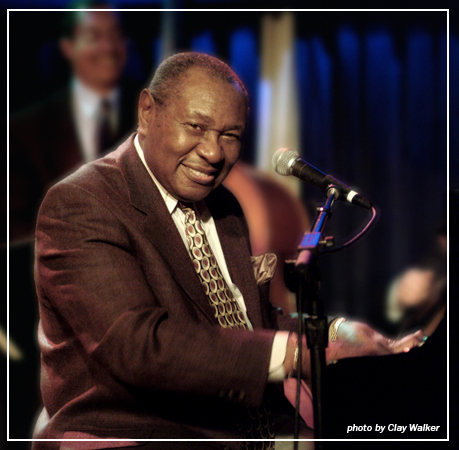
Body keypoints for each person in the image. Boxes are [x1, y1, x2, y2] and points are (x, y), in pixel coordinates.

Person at [32, 52, 425, 449]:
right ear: (147, 111)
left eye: (230, 135)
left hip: (242, 427)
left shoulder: (223, 204)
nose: (214, 152)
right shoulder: (84, 202)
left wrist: (336, 333)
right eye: (196, 127)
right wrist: (296, 354)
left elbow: (246, 322)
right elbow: (138, 346)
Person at [8, 3, 140, 242]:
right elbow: (14, 231)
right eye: (94, 37)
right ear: (68, 47)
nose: (108, 47)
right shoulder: (23, 131)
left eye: (115, 35)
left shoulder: (153, 114)